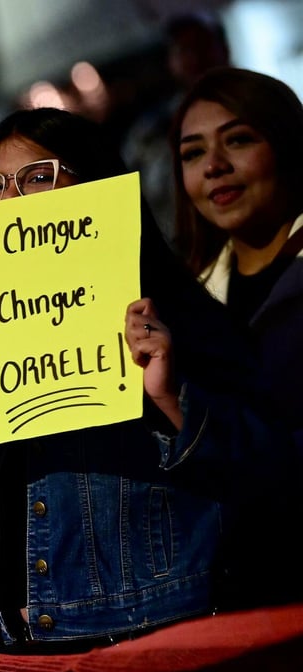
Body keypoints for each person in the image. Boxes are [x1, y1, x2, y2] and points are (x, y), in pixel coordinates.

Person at [0, 106, 261, 652]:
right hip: (32, 649)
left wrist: (171, 400)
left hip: (159, 643)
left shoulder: (171, 319)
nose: (9, 201)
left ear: (97, 189)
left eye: (37, 178)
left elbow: (267, 472)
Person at [127, 67, 303, 610]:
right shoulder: (182, 307)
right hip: (243, 588)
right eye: (192, 153)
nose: (214, 167)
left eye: (239, 140)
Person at [121, 11, 231, 246]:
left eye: (202, 45)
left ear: (224, 48)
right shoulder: (150, 132)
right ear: (171, 62)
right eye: (183, 50)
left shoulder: (261, 107)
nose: (195, 58)